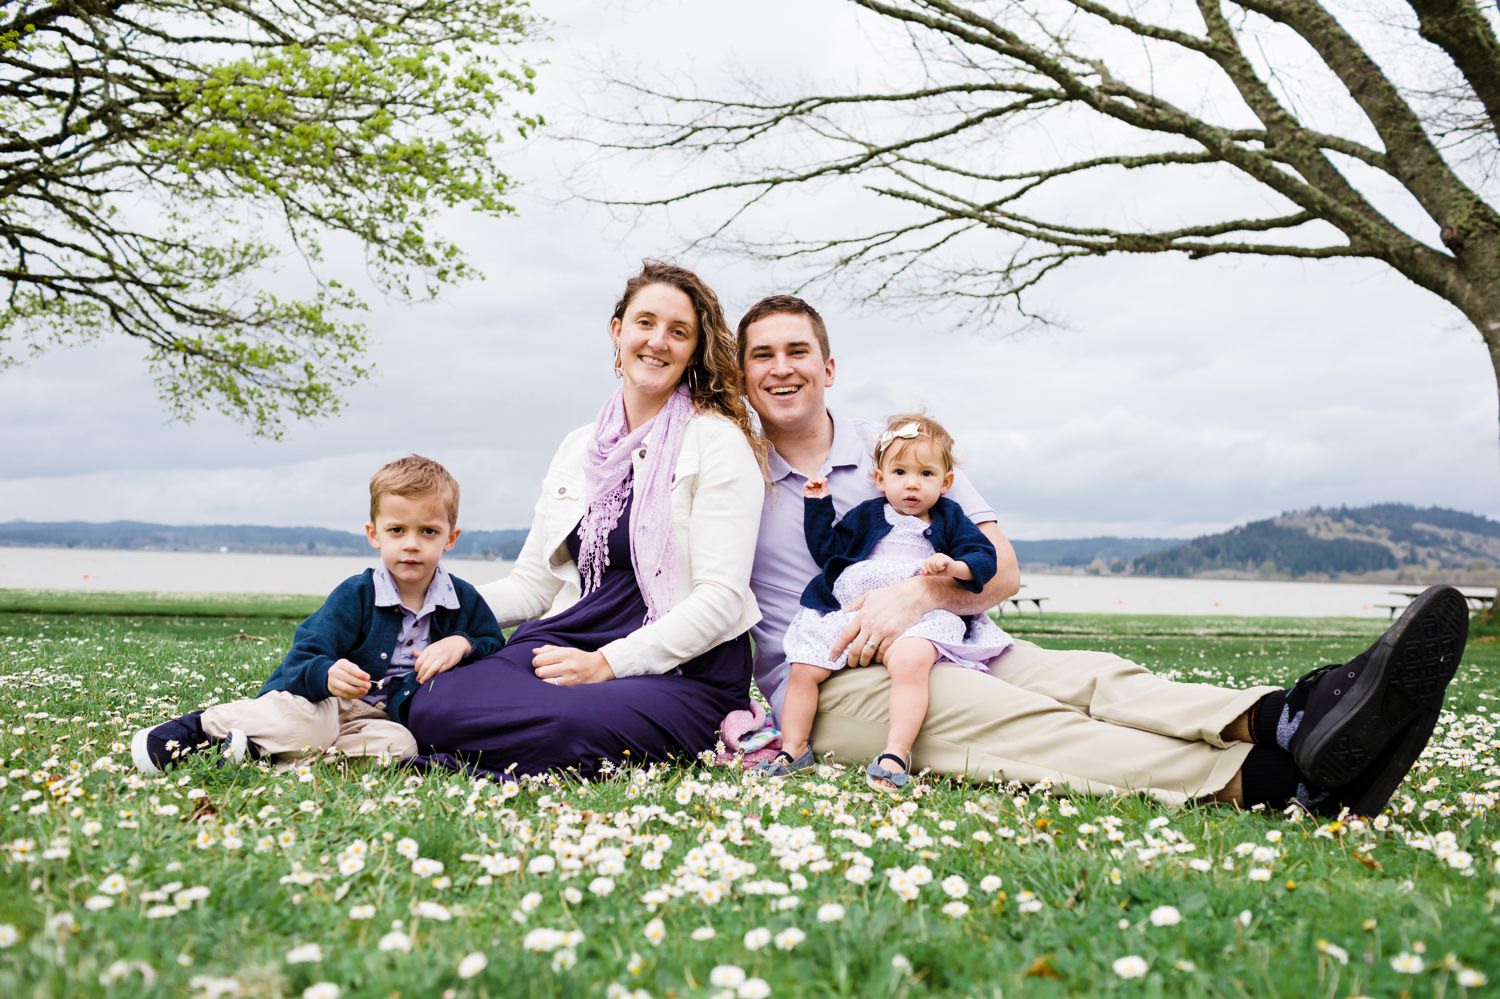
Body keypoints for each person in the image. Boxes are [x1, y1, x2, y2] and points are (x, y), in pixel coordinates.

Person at [737, 294, 1468, 815]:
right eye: (762, 355)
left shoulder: (898, 446)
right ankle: (1274, 779)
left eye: (797, 350)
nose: (782, 368)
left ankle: (1292, 717)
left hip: (951, 636)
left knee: (1094, 677)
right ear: (741, 375)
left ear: (829, 366)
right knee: (1012, 720)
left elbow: (1005, 569)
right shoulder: (736, 471)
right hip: (827, 681)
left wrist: (922, 596)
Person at [404, 261, 765, 779]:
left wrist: (607, 665)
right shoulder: (579, 448)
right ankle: (512, 745)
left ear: (692, 351)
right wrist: (439, 614)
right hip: (568, 638)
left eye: (678, 332)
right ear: (617, 331)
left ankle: (512, 749)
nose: (658, 341)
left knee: (566, 722)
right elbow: (532, 585)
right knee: (434, 699)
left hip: (682, 668)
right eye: (645, 323)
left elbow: (721, 599)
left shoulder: (717, 442)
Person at [131, 456, 505, 773]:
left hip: (374, 718)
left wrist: (462, 642)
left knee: (401, 747)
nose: (411, 544)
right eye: (397, 530)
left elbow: (494, 647)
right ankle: (202, 726)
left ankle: (258, 755)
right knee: (308, 729)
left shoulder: (463, 599)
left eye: (428, 531)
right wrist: (327, 674)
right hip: (319, 703)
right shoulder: (357, 595)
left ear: (450, 538)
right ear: (374, 534)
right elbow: (302, 658)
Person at [753, 413, 1011, 794]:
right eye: (900, 472)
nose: (912, 484)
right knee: (804, 666)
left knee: (910, 663)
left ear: (946, 482)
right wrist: (818, 504)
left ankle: (895, 752)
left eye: (926, 474)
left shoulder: (949, 518)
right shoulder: (869, 514)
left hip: (918, 611)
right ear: (879, 479)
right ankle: (793, 747)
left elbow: (984, 556)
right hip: (857, 604)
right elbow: (829, 551)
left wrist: (954, 566)